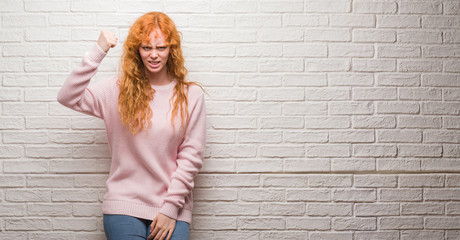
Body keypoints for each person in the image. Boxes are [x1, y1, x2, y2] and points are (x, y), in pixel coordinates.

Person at [57, 12, 206, 240]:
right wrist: (99, 51)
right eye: (146, 48)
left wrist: (170, 208)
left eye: (161, 47)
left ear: (171, 49)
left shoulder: (190, 96)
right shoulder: (116, 90)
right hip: (123, 207)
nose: (154, 55)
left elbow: (191, 157)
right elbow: (68, 97)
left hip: (172, 208)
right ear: (137, 50)